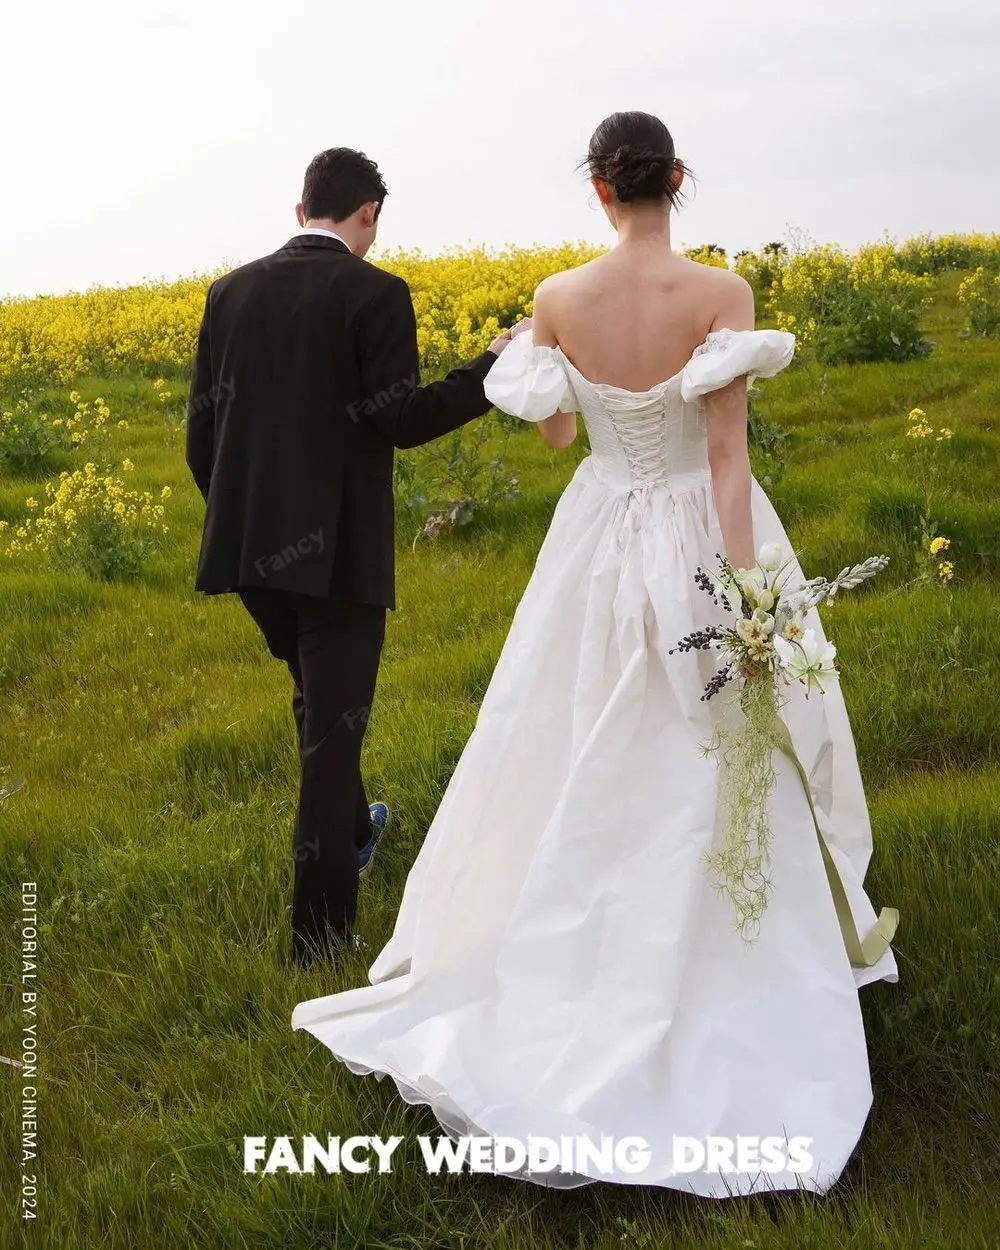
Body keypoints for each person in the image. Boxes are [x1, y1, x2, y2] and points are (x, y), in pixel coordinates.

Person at [291, 113, 898, 1196]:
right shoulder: (721, 296)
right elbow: (723, 461)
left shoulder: (557, 300)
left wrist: (557, 386)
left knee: (568, 729)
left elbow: (562, 435)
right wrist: (749, 598)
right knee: (714, 732)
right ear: (675, 177)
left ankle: (568, 945)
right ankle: (729, 940)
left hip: (600, 532)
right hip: (694, 526)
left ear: (596, 188)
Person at [185, 147, 521, 967]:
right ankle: (320, 943)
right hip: (336, 563)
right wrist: (490, 369)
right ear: (368, 214)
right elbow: (400, 418)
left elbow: (203, 438)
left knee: (319, 709)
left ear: (303, 210)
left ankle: (348, 834)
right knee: (331, 740)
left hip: (248, 558)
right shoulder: (376, 292)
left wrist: (240, 525)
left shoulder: (229, 293)